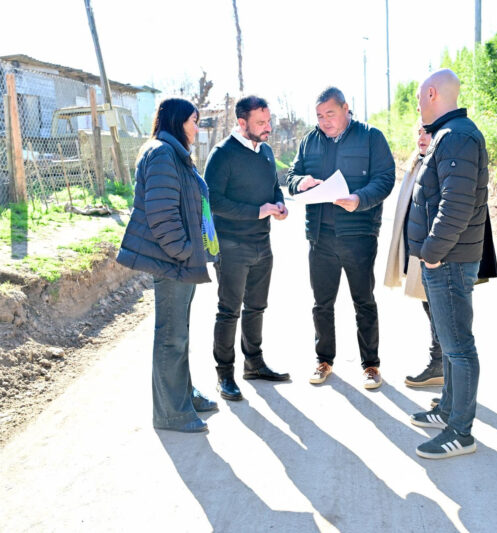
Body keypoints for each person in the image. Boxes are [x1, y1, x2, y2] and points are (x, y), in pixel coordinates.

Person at [117, 98, 219, 433]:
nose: (196, 127)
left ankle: (183, 395)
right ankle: (170, 413)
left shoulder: (173, 152)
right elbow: (162, 215)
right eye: (193, 120)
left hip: (183, 260)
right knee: (171, 336)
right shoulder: (162, 153)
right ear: (176, 120)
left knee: (180, 333)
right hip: (173, 261)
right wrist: (184, 251)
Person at [286, 87, 395, 389]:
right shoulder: (310, 140)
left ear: (346, 108)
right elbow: (292, 177)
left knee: (363, 301)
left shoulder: (371, 137)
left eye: (330, 114)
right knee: (322, 303)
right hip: (320, 238)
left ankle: (371, 365)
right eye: (319, 116)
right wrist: (301, 182)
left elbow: (385, 178)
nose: (324, 121)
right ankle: (324, 361)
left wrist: (360, 199)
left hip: (359, 235)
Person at [407, 69, 490, 458]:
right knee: (452, 342)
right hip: (447, 259)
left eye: (420, 97)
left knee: (458, 347)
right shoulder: (449, 135)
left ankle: (461, 432)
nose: (419, 105)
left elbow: (455, 206)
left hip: (450, 260)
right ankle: (448, 411)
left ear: (433, 93)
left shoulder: (456, 136)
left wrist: (433, 253)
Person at [204, 95, 290, 401]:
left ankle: (254, 363)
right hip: (231, 246)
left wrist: (278, 204)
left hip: (262, 243)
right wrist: (257, 211)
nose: (268, 128)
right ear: (242, 123)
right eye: (261, 123)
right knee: (229, 311)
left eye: (269, 121)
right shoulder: (222, 154)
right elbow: (213, 200)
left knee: (257, 307)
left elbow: (273, 188)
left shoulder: (265, 151)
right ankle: (224, 375)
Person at [383, 122, 445, 388]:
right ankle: (440, 365)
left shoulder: (438, 164)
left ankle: (441, 365)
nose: (421, 137)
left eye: (427, 133)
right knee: (430, 307)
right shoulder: (418, 163)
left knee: (439, 311)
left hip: (434, 254)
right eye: (418, 132)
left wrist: (432, 251)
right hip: (418, 252)